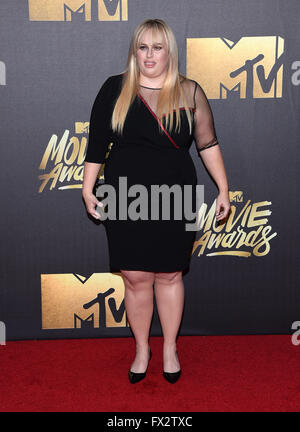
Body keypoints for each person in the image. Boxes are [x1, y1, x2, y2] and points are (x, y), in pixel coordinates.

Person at [82, 18, 230, 384]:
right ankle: (141, 348)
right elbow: (97, 144)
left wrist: (224, 189)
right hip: (125, 194)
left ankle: (169, 348)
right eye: (143, 47)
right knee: (134, 277)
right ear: (135, 50)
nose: (149, 55)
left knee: (168, 273)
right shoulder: (114, 89)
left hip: (174, 194)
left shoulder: (189, 91)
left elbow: (207, 143)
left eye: (157, 47)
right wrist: (87, 187)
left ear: (170, 52)